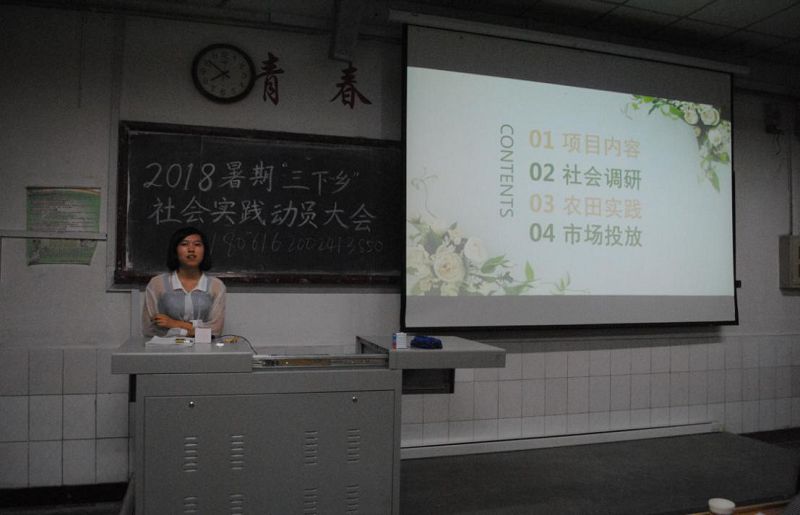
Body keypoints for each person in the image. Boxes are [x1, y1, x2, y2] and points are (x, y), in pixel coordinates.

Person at [142, 226, 226, 337]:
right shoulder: (157, 284)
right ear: (175, 250)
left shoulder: (216, 286)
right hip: (165, 347)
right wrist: (194, 331)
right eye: (184, 244)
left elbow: (215, 331)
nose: (191, 249)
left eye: (197, 244)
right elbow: (150, 329)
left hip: (205, 347)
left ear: (204, 251)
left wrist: (174, 324)